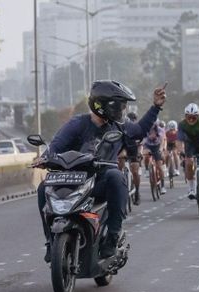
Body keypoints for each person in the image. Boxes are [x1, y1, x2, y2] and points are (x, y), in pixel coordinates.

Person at [35, 80, 166, 261]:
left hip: (99, 183)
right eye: (119, 106)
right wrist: (44, 158)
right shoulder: (77, 124)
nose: (122, 110)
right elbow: (55, 146)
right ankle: (50, 241)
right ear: (104, 105)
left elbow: (139, 131)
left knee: (116, 175)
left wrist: (155, 107)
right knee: (43, 187)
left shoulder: (120, 125)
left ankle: (112, 236)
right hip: (73, 182)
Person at [117, 112, 143, 205]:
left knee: (135, 171)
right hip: (124, 149)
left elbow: (140, 145)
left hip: (134, 150)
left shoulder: (137, 131)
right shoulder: (119, 131)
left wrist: (139, 153)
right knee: (119, 165)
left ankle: (137, 192)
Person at [142, 119, 167, 195]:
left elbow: (162, 140)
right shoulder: (145, 129)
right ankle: (147, 170)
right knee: (146, 156)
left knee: (159, 166)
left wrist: (161, 149)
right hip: (148, 145)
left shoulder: (160, 130)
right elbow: (143, 140)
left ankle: (162, 186)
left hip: (157, 146)